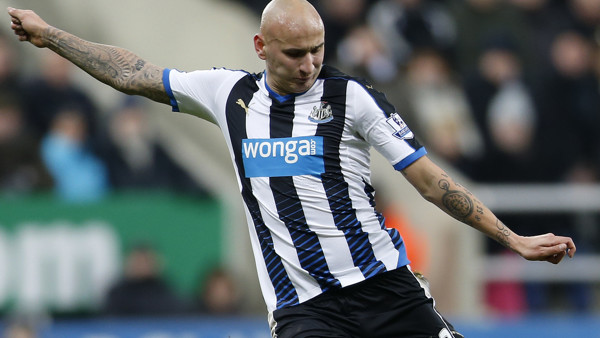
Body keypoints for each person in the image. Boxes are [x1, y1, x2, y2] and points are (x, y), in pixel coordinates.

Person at [7, 1, 576, 337]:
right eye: (294, 53)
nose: (309, 64)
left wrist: (513, 238)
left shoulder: (352, 98)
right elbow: (132, 73)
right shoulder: (225, 94)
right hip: (304, 310)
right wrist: (52, 35)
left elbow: (430, 180)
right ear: (260, 46)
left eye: (317, 50)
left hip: (385, 289)